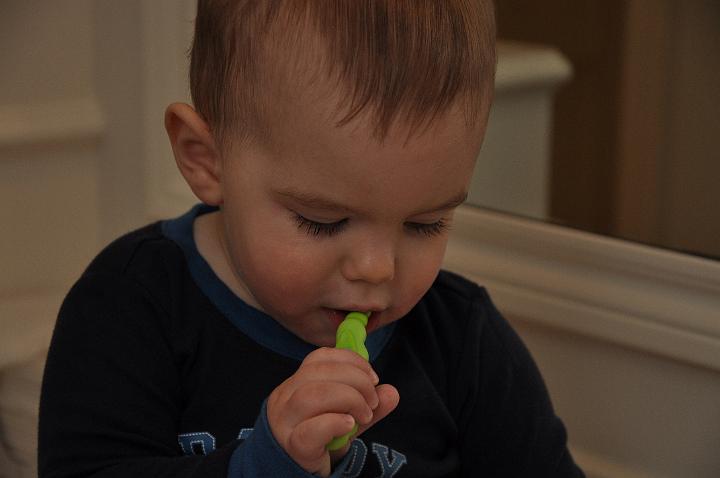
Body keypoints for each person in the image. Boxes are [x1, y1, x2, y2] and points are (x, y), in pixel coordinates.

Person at [38, 1, 584, 477]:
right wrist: (263, 468)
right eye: (322, 221)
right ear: (207, 160)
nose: (376, 269)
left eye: (425, 223)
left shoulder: (464, 340)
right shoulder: (131, 304)